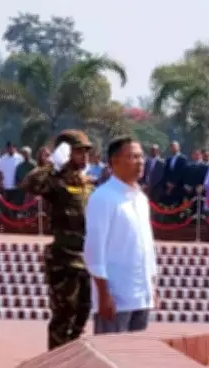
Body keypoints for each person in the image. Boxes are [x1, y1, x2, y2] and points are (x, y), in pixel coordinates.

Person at [20, 129, 94, 350]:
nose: (85, 156)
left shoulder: (88, 182)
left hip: (87, 259)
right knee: (64, 316)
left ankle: (71, 359)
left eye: (86, 151)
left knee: (83, 313)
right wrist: (52, 163)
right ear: (67, 153)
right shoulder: (55, 181)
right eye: (79, 151)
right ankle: (57, 363)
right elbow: (30, 184)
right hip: (64, 260)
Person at [84, 135, 157, 335]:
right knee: (111, 351)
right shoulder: (103, 197)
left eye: (141, 156)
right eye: (132, 157)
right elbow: (94, 250)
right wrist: (103, 294)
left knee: (136, 352)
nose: (140, 162)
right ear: (114, 161)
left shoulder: (141, 198)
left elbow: (146, 245)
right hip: (116, 297)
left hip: (141, 295)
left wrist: (151, 285)